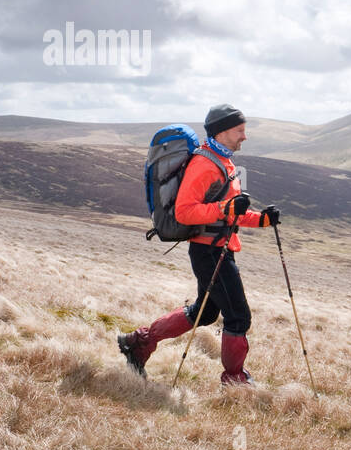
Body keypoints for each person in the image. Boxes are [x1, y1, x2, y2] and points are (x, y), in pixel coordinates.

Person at [118, 104, 280, 385]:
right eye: (240, 130)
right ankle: (235, 380)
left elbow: (228, 211)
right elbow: (185, 212)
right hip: (209, 251)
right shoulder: (205, 165)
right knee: (238, 317)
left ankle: (138, 342)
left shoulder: (223, 162)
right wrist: (227, 207)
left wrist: (262, 220)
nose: (245, 136)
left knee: (204, 312)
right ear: (222, 131)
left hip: (217, 248)